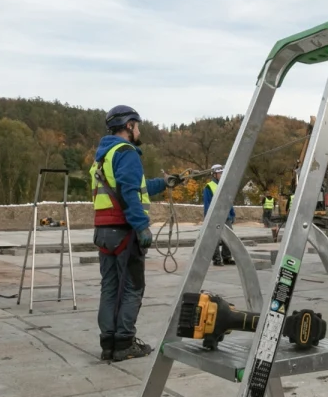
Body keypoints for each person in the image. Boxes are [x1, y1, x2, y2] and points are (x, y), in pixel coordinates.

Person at [90, 105, 182, 361]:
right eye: (137, 125)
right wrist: (141, 226)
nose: (139, 130)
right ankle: (124, 344)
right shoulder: (127, 152)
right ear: (129, 125)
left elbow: (134, 187)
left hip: (104, 232)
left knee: (109, 288)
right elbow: (130, 193)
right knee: (132, 289)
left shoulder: (103, 156)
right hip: (125, 232)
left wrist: (164, 183)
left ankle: (108, 344)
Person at [203, 164, 236, 266]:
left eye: (222, 172)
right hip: (215, 217)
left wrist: (232, 214)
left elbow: (228, 201)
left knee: (228, 238)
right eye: (220, 173)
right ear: (214, 174)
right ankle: (217, 259)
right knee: (215, 239)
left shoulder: (226, 186)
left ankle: (227, 258)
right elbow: (207, 203)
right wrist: (208, 217)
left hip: (226, 216)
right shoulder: (209, 187)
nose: (222, 174)